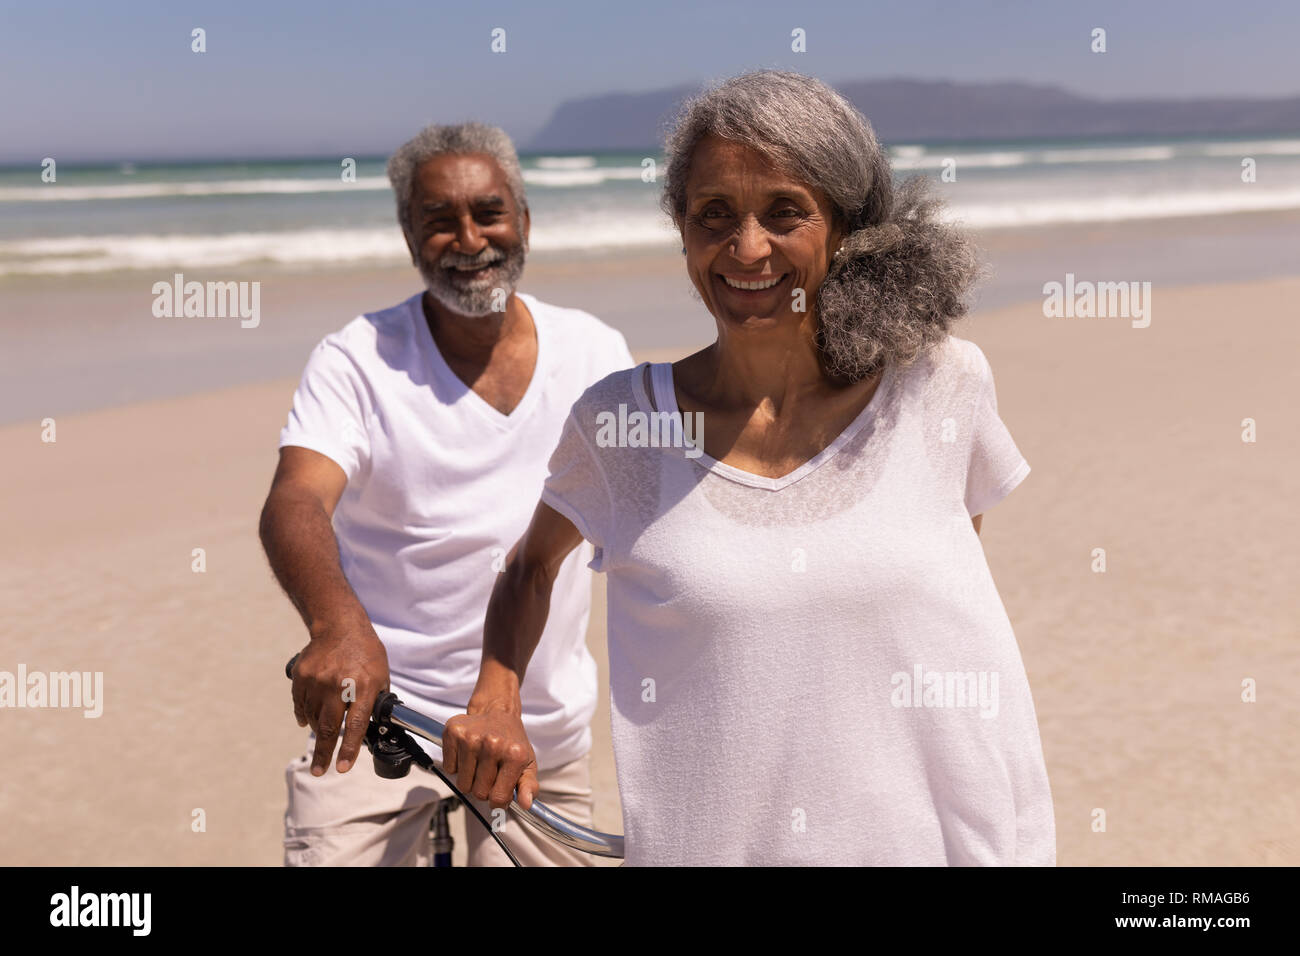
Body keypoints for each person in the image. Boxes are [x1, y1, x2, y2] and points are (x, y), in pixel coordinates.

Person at [443, 71, 1056, 865]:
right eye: (714, 215)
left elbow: (949, 613)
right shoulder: (621, 424)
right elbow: (529, 569)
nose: (747, 248)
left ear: (846, 226)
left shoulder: (941, 383)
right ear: (683, 231)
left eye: (784, 211)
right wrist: (497, 696)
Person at [259, 122, 633, 866]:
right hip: (377, 724)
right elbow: (295, 500)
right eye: (439, 221)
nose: (469, 239)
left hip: (535, 734)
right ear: (408, 235)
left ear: (523, 221)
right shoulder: (357, 360)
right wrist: (337, 627)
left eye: (488, 213)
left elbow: (647, 525)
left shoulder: (595, 354)